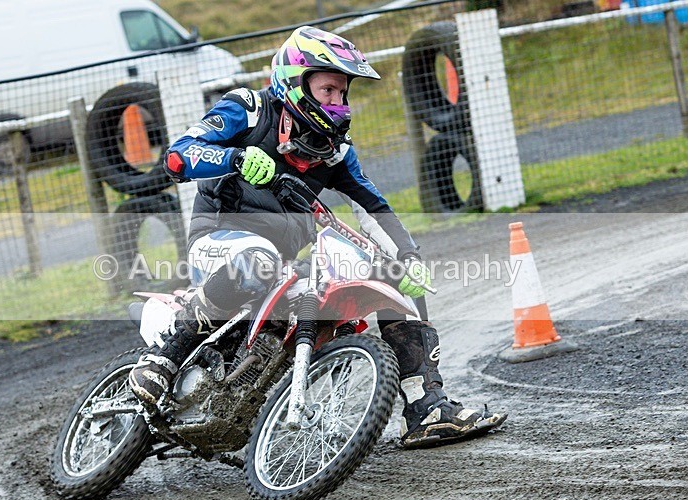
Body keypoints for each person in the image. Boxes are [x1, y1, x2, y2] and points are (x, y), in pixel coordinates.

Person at [129, 26, 506, 448]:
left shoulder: (336, 150)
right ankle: (164, 355)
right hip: (219, 238)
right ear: (296, 80)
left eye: (343, 94)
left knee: (393, 276)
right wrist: (235, 157)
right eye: (328, 90)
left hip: (285, 262)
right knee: (258, 258)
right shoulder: (249, 110)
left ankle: (426, 407)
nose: (338, 103)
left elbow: (373, 207)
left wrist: (407, 256)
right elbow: (178, 157)